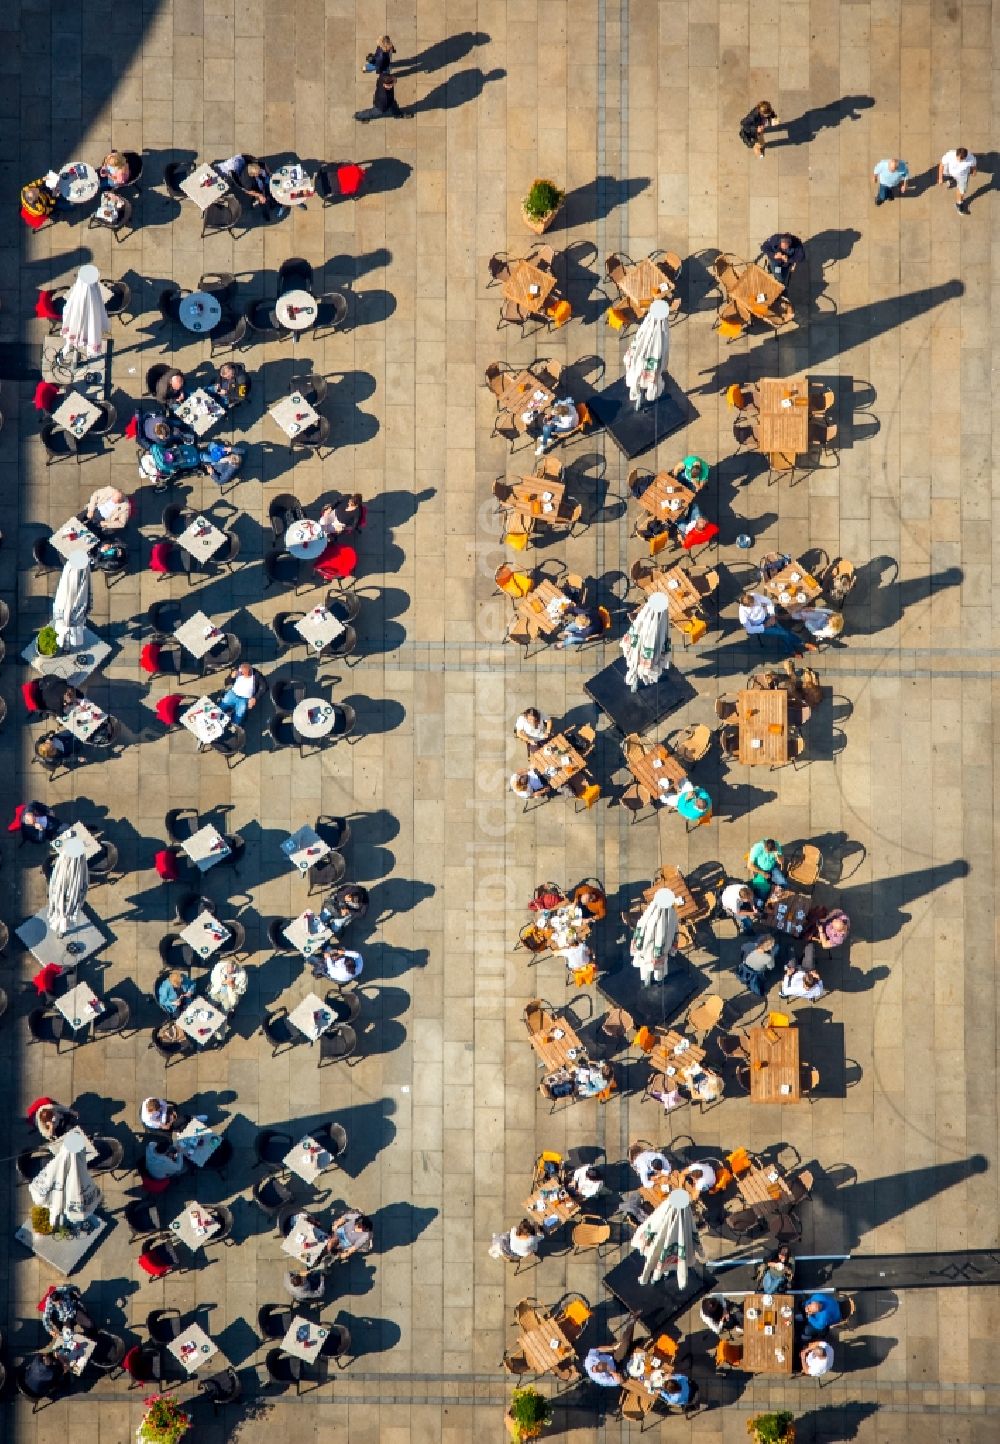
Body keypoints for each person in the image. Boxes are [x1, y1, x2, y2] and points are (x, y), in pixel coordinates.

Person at [739, 591, 815, 657]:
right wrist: (765, 626)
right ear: (747, 606)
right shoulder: (742, 613)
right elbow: (749, 630)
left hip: (767, 617)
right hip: (760, 626)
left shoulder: (754, 596)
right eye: (753, 604)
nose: (755, 603)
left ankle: (790, 650)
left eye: (754, 601)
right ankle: (801, 644)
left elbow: (768, 601)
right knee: (784, 632)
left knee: (783, 632)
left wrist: (772, 615)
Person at [216, 153, 288, 221]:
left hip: (264, 180)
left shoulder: (253, 166)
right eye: (258, 173)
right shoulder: (247, 182)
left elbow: (264, 165)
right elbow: (248, 191)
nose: (260, 172)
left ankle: (277, 202)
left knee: (278, 185)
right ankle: (267, 212)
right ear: (253, 175)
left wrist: (269, 173)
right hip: (258, 188)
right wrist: (259, 195)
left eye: (260, 171)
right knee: (265, 199)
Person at [937, 145, 977, 213]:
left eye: (962, 160)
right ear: (956, 154)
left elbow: (974, 166)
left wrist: (974, 172)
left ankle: (959, 203)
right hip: (950, 172)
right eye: (958, 159)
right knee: (946, 170)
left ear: (965, 157)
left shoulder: (971, 159)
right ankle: (952, 179)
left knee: (962, 191)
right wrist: (940, 178)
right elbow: (941, 165)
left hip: (962, 175)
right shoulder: (950, 155)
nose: (959, 161)